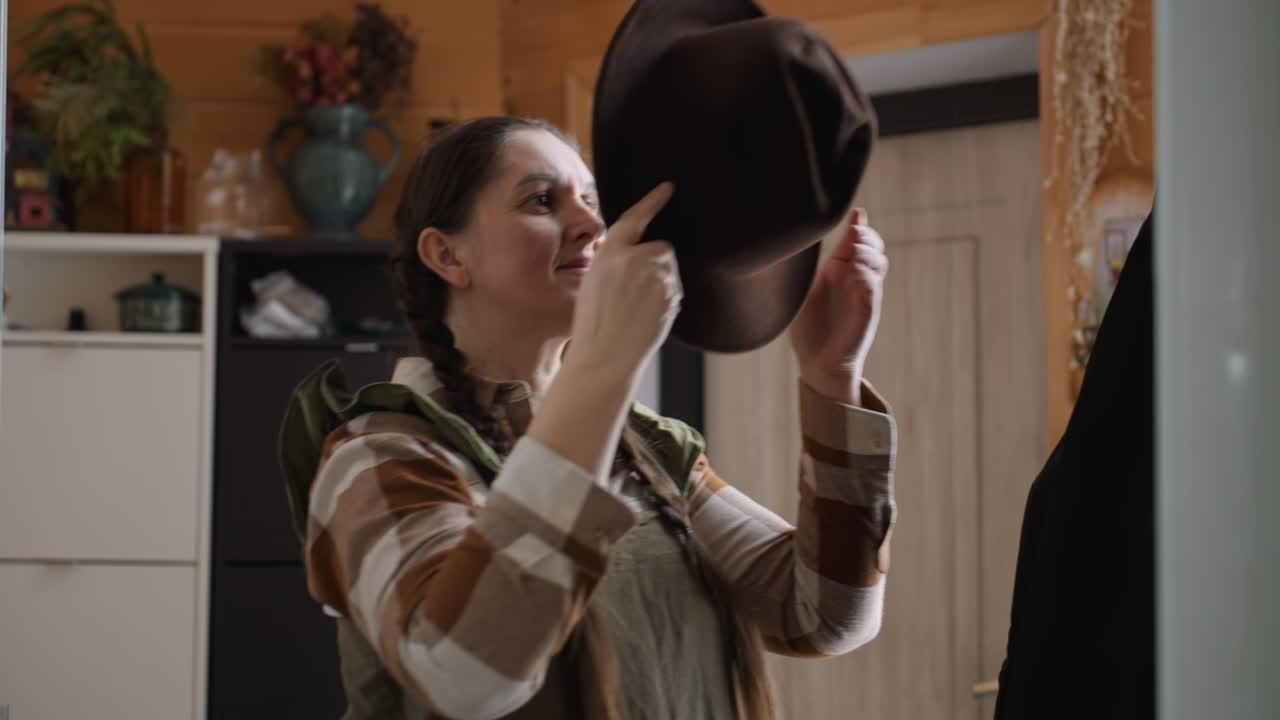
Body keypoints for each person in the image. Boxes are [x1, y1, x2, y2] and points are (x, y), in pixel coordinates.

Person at [280, 116, 896, 720]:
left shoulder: (650, 450)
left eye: (593, 201)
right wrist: (606, 360)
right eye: (542, 200)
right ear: (447, 255)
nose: (592, 225)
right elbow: (466, 678)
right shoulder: (380, 456)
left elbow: (826, 616)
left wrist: (829, 375)